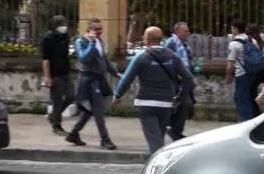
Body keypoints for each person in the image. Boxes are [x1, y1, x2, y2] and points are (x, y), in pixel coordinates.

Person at [112, 26, 194, 154]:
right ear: (161, 39)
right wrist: (179, 97)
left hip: (145, 104)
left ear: (147, 40)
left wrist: (117, 95)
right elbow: (189, 80)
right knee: (158, 139)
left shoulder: (141, 58)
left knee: (155, 142)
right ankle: (159, 166)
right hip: (166, 104)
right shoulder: (173, 56)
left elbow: (127, 79)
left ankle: (158, 168)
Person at [65, 18, 118, 150]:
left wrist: (116, 73)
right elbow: (84, 58)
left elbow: (104, 60)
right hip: (89, 79)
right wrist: (91, 44)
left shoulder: (100, 41)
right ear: (89, 29)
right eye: (96, 29)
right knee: (98, 109)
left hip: (100, 78)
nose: (99, 32)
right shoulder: (80, 41)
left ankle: (73, 133)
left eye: (101, 29)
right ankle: (105, 139)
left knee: (89, 110)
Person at [224, 19, 264, 121]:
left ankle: (246, 122)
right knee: (251, 98)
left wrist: (229, 76)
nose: (232, 30)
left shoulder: (234, 44)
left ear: (236, 29)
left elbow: (230, 64)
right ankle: (256, 121)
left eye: (232, 28)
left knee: (240, 99)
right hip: (254, 74)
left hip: (242, 75)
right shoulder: (252, 40)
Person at [40, 15, 75, 135]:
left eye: (65, 25)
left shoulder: (65, 37)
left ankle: (53, 115)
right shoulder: (47, 39)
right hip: (54, 74)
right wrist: (47, 76)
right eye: (61, 25)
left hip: (65, 72)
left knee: (71, 96)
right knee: (57, 100)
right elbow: (45, 59)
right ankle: (57, 126)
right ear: (55, 26)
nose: (64, 27)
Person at [163, 22, 194, 141]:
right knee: (184, 104)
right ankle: (174, 130)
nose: (188, 33)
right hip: (175, 81)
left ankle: (175, 130)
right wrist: (177, 74)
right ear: (177, 32)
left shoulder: (184, 45)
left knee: (186, 105)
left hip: (184, 80)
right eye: (185, 31)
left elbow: (187, 61)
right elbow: (167, 61)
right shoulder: (171, 44)